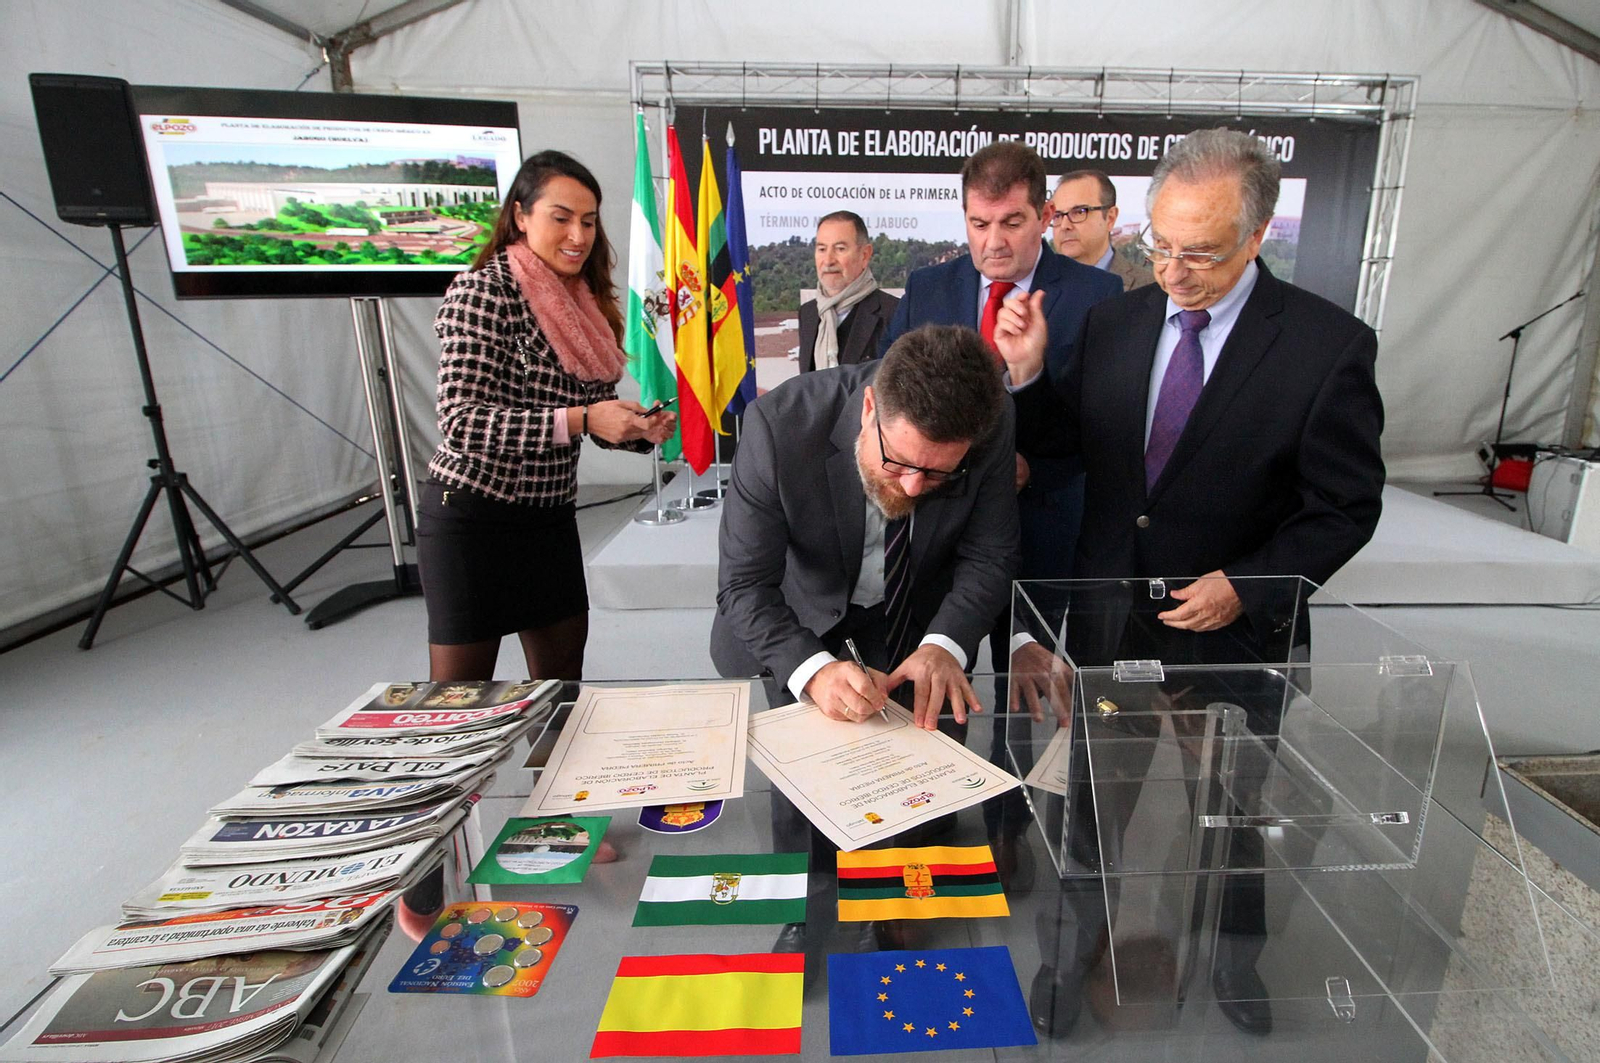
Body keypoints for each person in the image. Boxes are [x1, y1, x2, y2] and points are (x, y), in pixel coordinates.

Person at [996, 127, 1385, 1038]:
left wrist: (1248, 585)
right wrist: (1025, 378)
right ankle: (1070, 955)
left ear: (1257, 236)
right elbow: (1063, 442)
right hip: (1110, 630)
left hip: (1238, 639)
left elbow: (1344, 505)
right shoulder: (1116, 321)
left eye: (1200, 253)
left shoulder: (1328, 347)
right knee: (1092, 809)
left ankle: (1234, 962)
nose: (1173, 270)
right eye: (1160, 246)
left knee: (1235, 817)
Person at [416, 150, 676, 684]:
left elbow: (593, 411)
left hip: (549, 522)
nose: (578, 236)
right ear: (520, 216)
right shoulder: (484, 292)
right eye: (561, 218)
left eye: (588, 221)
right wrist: (584, 420)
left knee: (561, 695)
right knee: (458, 707)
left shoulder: (582, 301)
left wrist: (638, 429)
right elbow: (462, 422)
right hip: (472, 521)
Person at [711, 325, 1019, 730]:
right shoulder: (780, 425)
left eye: (938, 472)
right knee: (806, 788)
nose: (912, 487)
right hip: (802, 625)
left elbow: (990, 556)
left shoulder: (990, 422)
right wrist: (815, 671)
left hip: (921, 625)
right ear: (869, 409)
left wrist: (945, 645)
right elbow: (744, 584)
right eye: (899, 461)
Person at [798, 211, 898, 372]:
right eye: (822, 249)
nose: (829, 260)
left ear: (865, 255)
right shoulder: (808, 313)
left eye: (840, 249)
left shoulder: (894, 313)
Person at [1048, 168, 1154, 291]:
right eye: (1057, 216)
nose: (1064, 225)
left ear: (1110, 218)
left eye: (1079, 212)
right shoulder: (1038, 287)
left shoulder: (1149, 287)